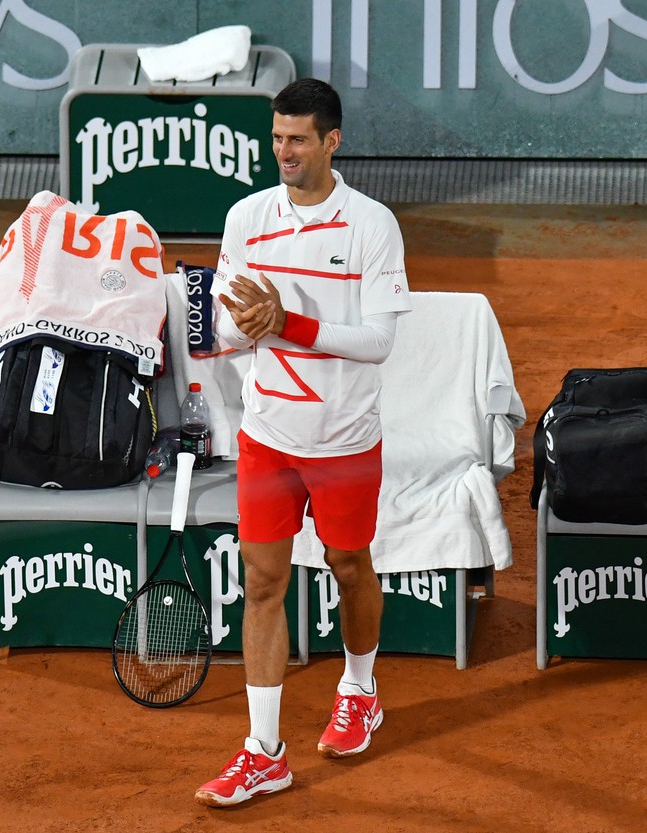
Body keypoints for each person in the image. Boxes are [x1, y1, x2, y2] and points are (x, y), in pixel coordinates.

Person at [194, 78, 412, 808]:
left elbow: (380, 341)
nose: (282, 151)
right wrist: (245, 326)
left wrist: (290, 324)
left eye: (297, 139)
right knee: (263, 582)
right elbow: (222, 328)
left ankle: (359, 686)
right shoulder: (246, 217)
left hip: (345, 440)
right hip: (268, 436)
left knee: (351, 566)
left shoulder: (372, 225)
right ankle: (265, 750)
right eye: (277, 137)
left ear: (332, 142)